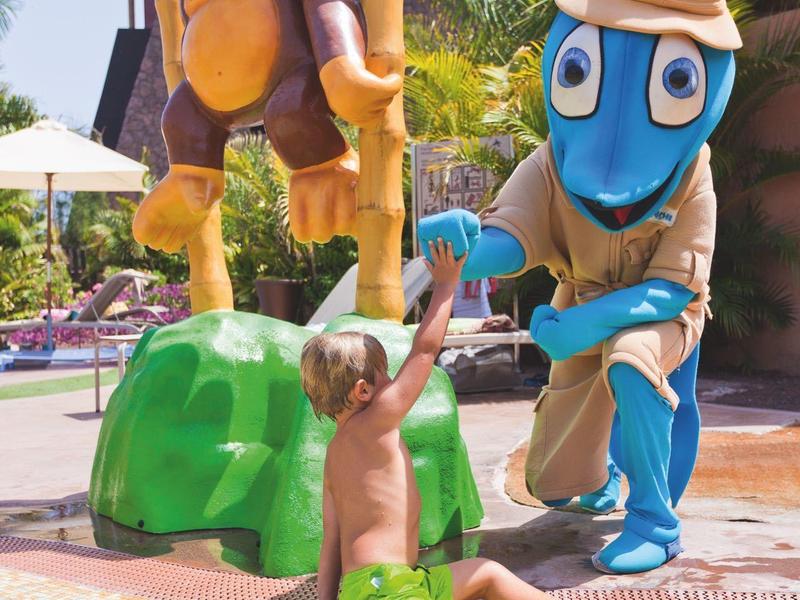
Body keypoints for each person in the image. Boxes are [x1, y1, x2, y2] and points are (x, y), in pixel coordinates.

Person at [301, 238, 548, 600]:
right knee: (489, 574)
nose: (392, 382)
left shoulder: (334, 457)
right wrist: (446, 283)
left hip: (366, 587)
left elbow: (331, 544)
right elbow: (425, 351)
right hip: (391, 586)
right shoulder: (374, 423)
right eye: (384, 375)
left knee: (487, 576)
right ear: (363, 391)